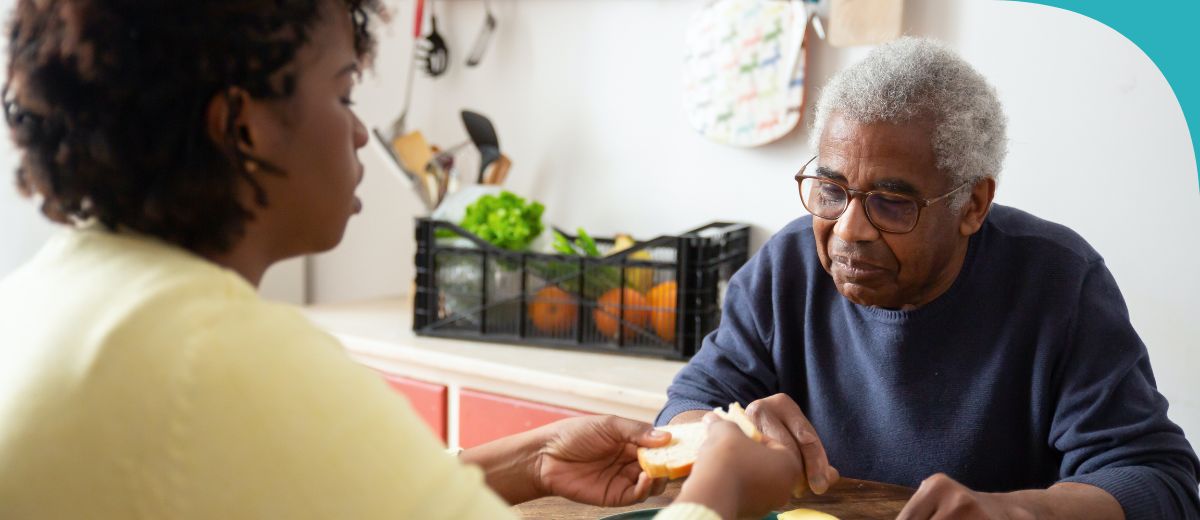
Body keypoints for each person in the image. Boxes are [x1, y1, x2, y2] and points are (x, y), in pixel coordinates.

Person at [0, 1, 801, 519]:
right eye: (345, 92)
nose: (358, 133)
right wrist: (717, 496)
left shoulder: (48, 301)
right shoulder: (223, 358)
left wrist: (528, 459)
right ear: (242, 128)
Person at [658, 37, 1200, 520]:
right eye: (830, 190)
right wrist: (717, 438)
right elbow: (686, 405)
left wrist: (1014, 511)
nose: (850, 230)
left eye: (891, 203)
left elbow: (1159, 481)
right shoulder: (788, 267)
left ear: (973, 204)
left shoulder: (1058, 282)